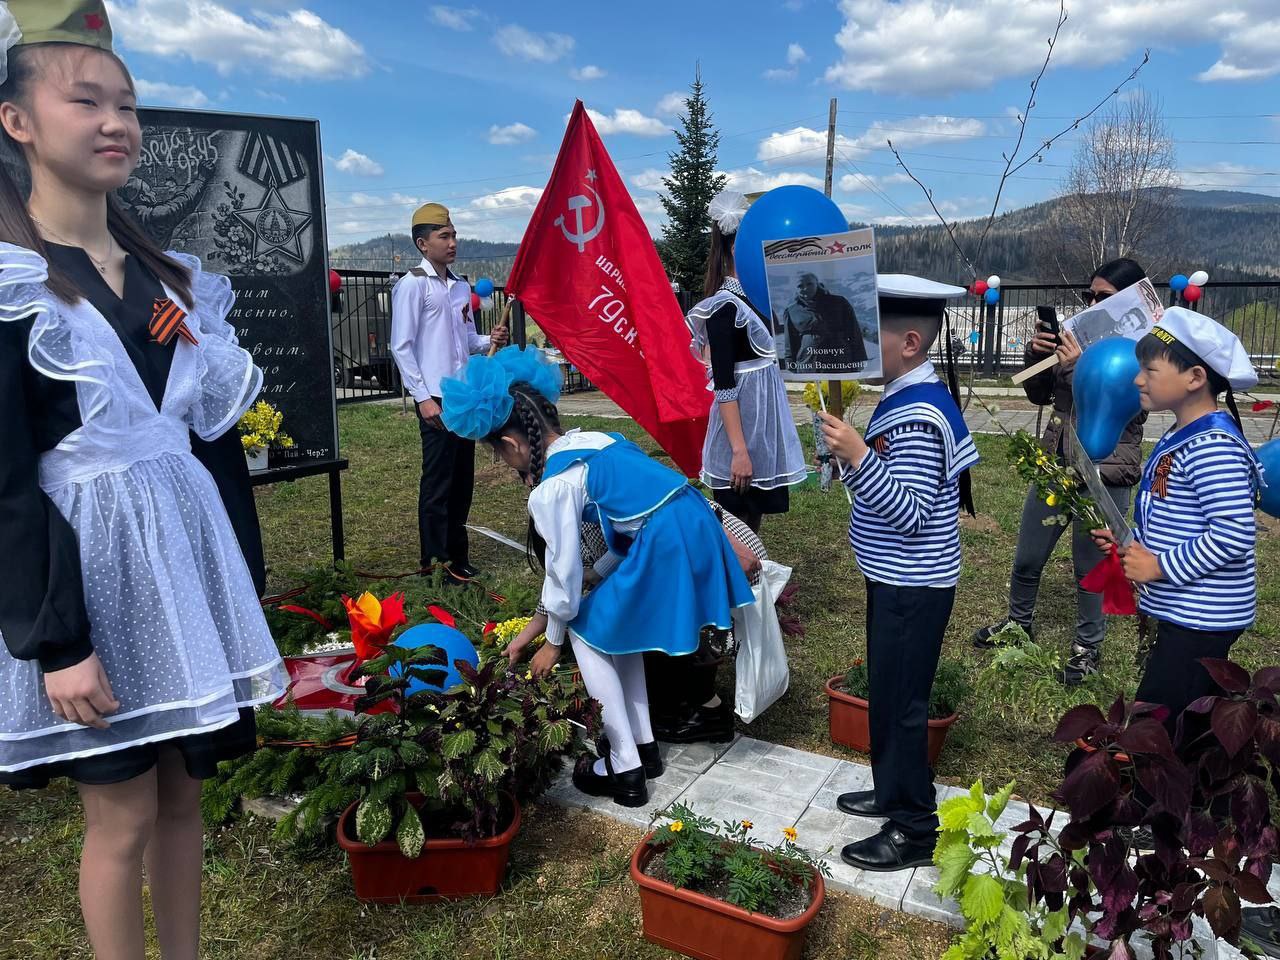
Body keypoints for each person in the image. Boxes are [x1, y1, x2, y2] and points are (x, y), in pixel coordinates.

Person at [0, 6, 288, 958]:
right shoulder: (12, 285)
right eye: (85, 99)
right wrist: (55, 640)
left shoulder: (172, 282)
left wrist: (238, 579)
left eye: (125, 102)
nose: (116, 120)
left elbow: (209, 448)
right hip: (90, 584)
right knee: (119, 814)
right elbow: (7, 480)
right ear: (19, 121)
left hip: (183, 579)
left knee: (180, 801)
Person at [441, 346, 754, 807]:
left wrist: (551, 640)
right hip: (690, 523)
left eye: (498, 458)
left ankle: (624, 768)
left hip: (668, 540)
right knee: (614, 631)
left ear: (510, 446)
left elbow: (562, 576)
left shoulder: (552, 488)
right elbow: (631, 520)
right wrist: (598, 574)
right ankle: (644, 748)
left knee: (587, 633)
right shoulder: (596, 442)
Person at [819, 275, 979, 872]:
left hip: (912, 583)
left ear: (910, 342)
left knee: (903, 704)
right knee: (886, 694)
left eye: (869, 331)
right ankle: (891, 792)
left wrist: (859, 456)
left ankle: (914, 825)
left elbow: (909, 513)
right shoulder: (903, 396)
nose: (857, 340)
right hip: (895, 577)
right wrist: (844, 452)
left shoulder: (916, 415)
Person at [973, 257, 1149, 686]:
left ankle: (1087, 647)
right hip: (1057, 459)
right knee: (1028, 555)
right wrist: (1040, 357)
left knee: (1093, 566)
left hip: (1105, 469)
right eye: (1089, 295)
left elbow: (1115, 397)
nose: (1092, 303)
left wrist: (1073, 364)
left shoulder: (1141, 351)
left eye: (1103, 297)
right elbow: (1038, 394)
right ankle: (1018, 623)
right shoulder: (1077, 340)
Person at [1093, 306, 1258, 741]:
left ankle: (1157, 802)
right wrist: (1130, 544)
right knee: (1182, 718)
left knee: (1159, 728)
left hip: (1201, 618)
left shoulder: (1211, 446)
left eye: (1149, 369)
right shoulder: (1181, 435)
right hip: (1184, 612)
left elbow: (1233, 532)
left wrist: (1159, 566)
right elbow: (1176, 516)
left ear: (1195, 378)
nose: (1137, 380)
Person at [513, 499, 770, 750]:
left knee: (643, 624)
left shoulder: (584, 519)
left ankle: (703, 710)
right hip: (708, 551)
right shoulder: (585, 497)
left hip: (730, 560)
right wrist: (522, 639)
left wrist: (553, 642)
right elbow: (562, 586)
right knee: (638, 613)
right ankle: (680, 705)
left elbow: (570, 581)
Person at [390, 202, 508, 584]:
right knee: (438, 481)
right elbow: (401, 346)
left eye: (454, 234)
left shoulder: (460, 286)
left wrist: (490, 339)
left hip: (463, 397)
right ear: (423, 244)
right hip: (436, 399)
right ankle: (434, 561)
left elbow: (467, 338)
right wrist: (422, 397)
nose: (452, 242)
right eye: (444, 236)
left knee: (462, 480)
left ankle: (458, 557)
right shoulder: (412, 285)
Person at [686, 190, 807, 533]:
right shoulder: (725, 307)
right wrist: (739, 450)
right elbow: (724, 386)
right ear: (737, 248)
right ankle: (737, 583)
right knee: (735, 527)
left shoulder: (761, 302)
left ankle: (755, 582)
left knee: (753, 518)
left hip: (762, 433)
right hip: (741, 436)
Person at [782, 272, 867, 371]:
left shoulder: (839, 303)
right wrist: (790, 364)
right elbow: (790, 342)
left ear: (817, 284)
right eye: (800, 286)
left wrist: (858, 359)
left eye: (809, 284)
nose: (805, 288)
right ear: (795, 289)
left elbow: (854, 332)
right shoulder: (792, 311)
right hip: (808, 364)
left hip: (840, 362)